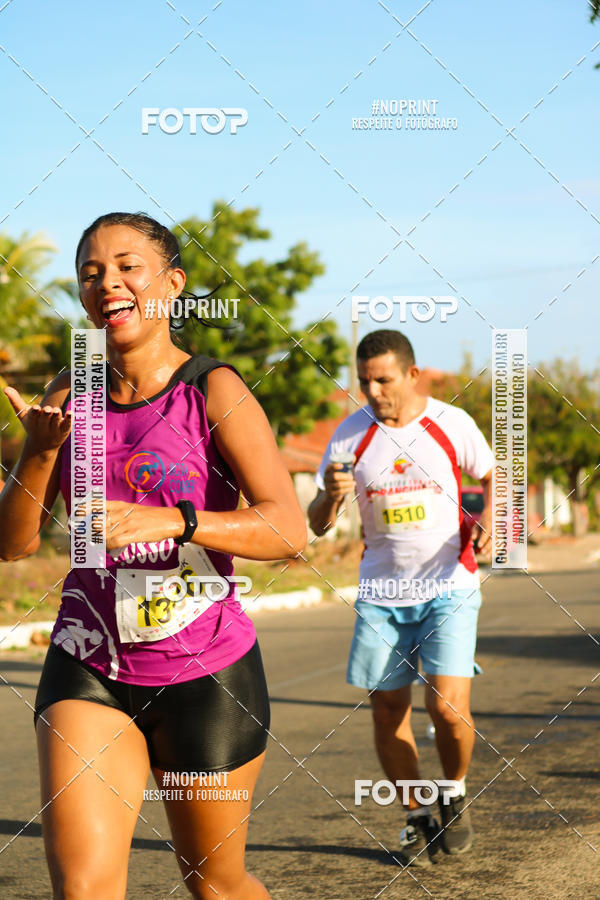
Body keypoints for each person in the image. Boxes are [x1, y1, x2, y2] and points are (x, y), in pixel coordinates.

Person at [0, 211, 307, 899]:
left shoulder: (213, 390)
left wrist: (173, 520)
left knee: (215, 885)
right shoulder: (66, 391)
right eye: (90, 272)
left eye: (127, 266)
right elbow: (13, 545)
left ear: (171, 284)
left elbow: (288, 532)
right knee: (83, 890)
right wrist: (42, 451)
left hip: (207, 673)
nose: (108, 282)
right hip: (90, 663)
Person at [308, 329, 493, 868]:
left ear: (414, 375)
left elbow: (494, 474)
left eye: (383, 380)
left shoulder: (450, 423)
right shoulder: (349, 436)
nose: (372, 391)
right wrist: (331, 498)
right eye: (364, 381)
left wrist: (489, 523)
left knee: (447, 708)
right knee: (388, 710)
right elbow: (318, 524)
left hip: (448, 584)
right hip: (381, 591)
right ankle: (416, 814)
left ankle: (453, 792)